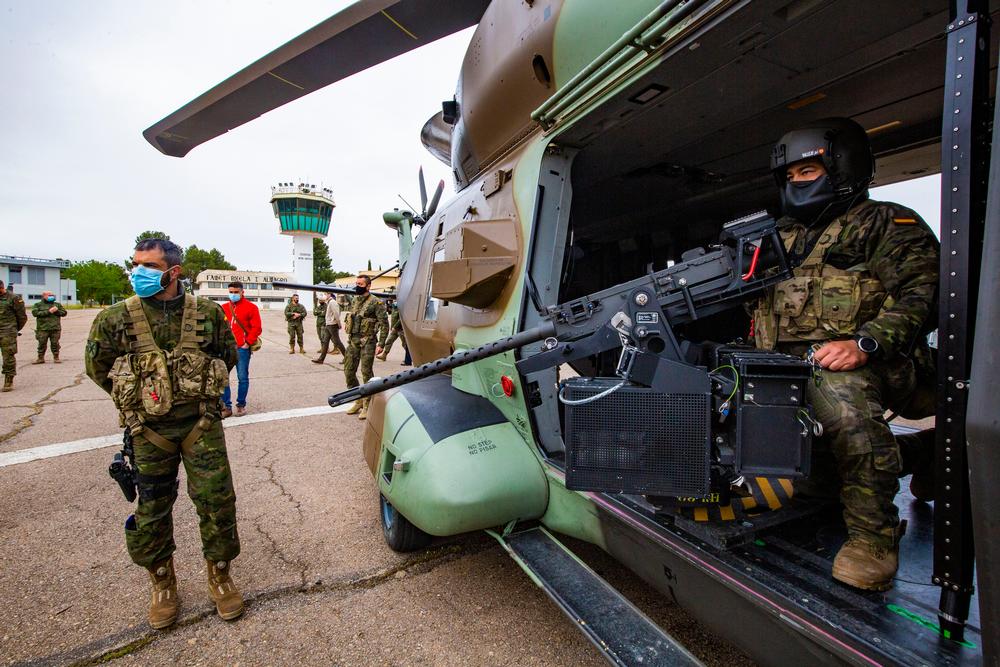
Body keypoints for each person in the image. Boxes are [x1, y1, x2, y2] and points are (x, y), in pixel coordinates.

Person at [753, 117, 939, 591]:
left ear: (843, 168)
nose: (797, 183)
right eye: (790, 176)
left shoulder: (885, 224)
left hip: (878, 362)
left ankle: (873, 538)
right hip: (797, 368)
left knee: (840, 402)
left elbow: (927, 294)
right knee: (821, 474)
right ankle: (930, 452)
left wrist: (866, 343)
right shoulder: (781, 237)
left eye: (808, 172)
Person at [85, 238, 244, 629]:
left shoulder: (207, 313)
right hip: (147, 429)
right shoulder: (115, 318)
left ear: (174, 272)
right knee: (152, 508)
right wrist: (138, 398)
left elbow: (226, 355)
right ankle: (162, 584)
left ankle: (220, 576)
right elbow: (97, 365)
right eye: (135, 264)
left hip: (200, 425)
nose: (138, 272)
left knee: (215, 501)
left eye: (149, 267)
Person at [343, 275, 388, 419]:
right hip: (353, 341)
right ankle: (359, 400)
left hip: (368, 342)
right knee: (349, 372)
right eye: (356, 283)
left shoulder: (376, 302)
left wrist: (381, 344)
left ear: (368, 286)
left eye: (360, 284)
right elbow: (351, 316)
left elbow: (384, 324)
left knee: (366, 373)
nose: (357, 286)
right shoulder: (355, 300)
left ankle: (369, 404)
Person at [221, 281, 262, 418]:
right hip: (226, 349)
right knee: (223, 378)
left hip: (242, 349)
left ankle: (241, 405)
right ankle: (226, 406)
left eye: (236, 292)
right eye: (231, 292)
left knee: (242, 378)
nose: (233, 295)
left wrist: (247, 343)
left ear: (242, 292)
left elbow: (257, 328)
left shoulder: (251, 308)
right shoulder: (224, 307)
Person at [0, 280, 27, 391]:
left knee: (8, 356)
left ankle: (8, 380)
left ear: (1, 288)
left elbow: (22, 317)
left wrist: (14, 329)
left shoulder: (14, 298)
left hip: (7, 331)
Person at [31, 291, 67, 364]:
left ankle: (56, 357)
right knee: (42, 344)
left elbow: (64, 313)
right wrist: (48, 312)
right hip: (42, 328)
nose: (52, 296)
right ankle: (40, 358)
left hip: (55, 328)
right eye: (49, 295)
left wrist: (57, 311)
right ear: (44, 296)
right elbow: (35, 313)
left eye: (52, 295)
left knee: (55, 344)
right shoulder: (38, 305)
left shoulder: (57, 305)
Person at [312, 292, 347, 364]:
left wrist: (339, 323)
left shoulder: (332, 302)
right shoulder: (329, 302)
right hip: (328, 324)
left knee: (337, 341)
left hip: (332, 324)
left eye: (325, 294)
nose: (324, 296)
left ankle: (347, 358)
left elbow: (336, 313)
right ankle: (321, 359)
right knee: (325, 342)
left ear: (329, 295)